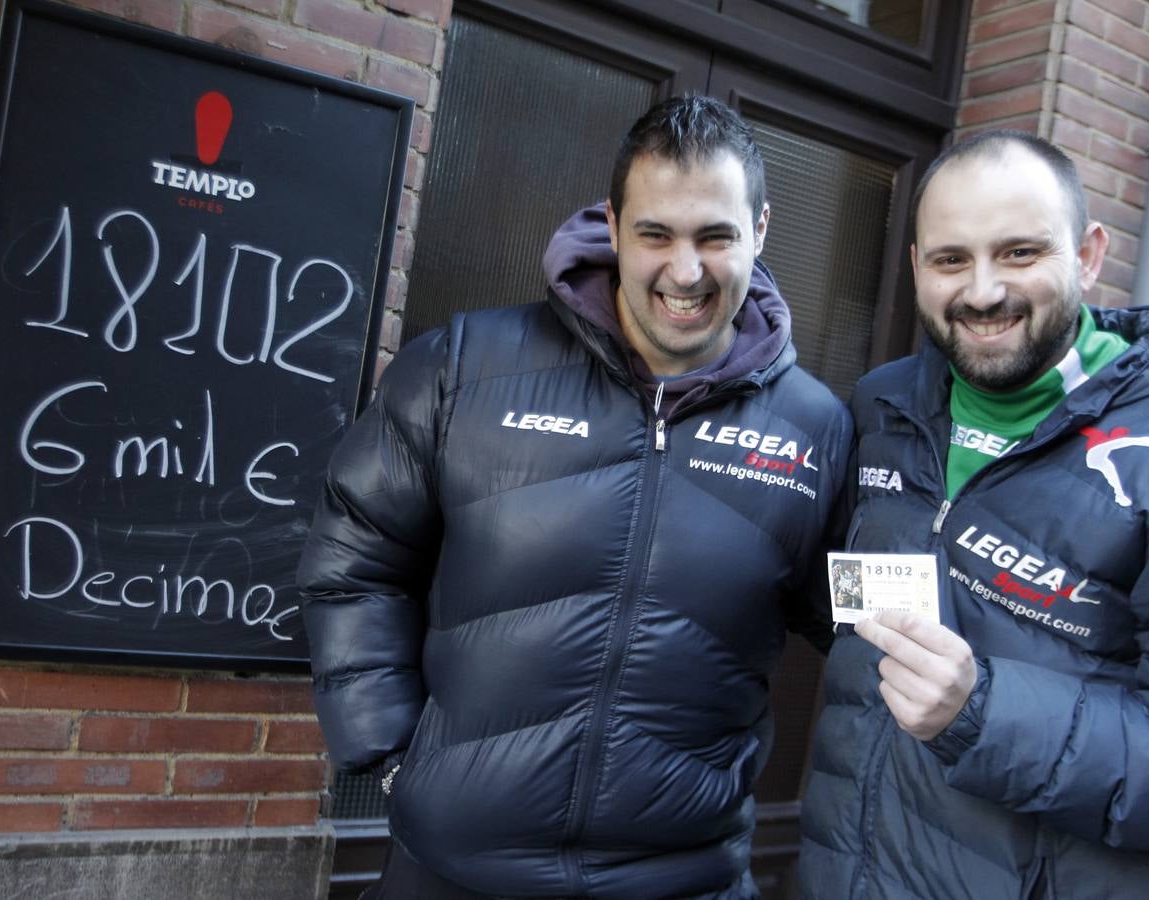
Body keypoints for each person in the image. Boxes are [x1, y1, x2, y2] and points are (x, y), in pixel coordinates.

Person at [298, 95, 852, 899]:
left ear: (760, 231)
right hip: (451, 873)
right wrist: (390, 757)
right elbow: (355, 559)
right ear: (613, 225)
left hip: (682, 878)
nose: (685, 272)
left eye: (716, 236)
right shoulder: (467, 366)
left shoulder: (817, 430)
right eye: (656, 233)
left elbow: (869, 632)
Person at [797, 129, 1149, 899]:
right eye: (951, 259)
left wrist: (980, 712)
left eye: (1018, 253)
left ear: (1088, 253)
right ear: (916, 268)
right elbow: (840, 619)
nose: (981, 291)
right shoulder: (886, 404)